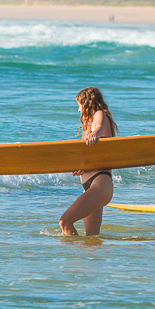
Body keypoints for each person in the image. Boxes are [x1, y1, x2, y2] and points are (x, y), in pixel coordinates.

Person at [59, 86, 118, 236]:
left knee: (65, 221)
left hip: (99, 184)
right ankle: (88, 254)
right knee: (92, 238)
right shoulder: (88, 125)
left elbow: (99, 127)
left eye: (79, 105)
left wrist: (94, 134)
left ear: (87, 103)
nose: (79, 110)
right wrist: (81, 168)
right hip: (91, 186)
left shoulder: (99, 114)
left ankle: (68, 251)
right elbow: (89, 156)